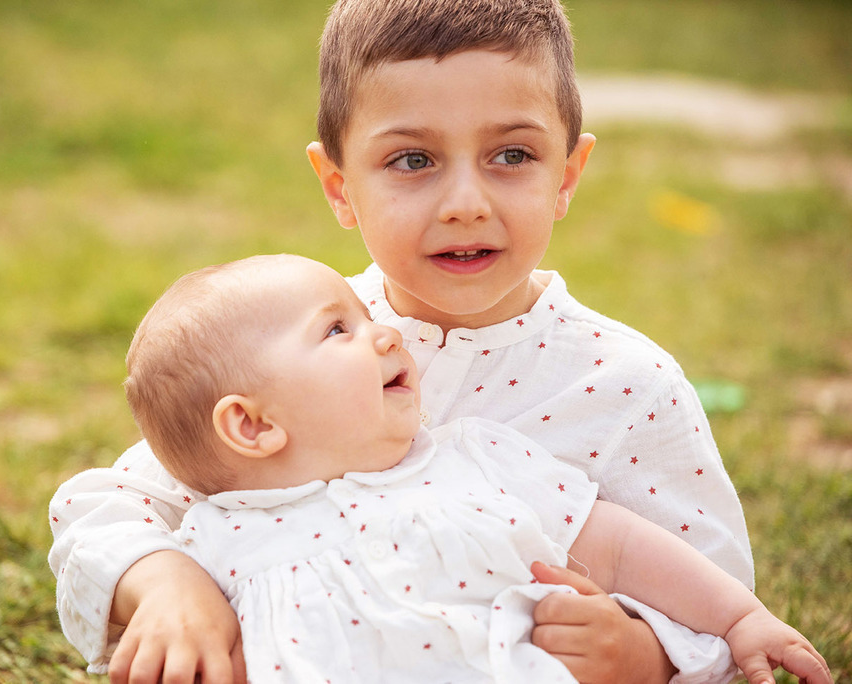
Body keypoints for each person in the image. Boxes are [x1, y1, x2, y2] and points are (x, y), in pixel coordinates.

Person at [49, 1, 759, 681]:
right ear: (338, 186)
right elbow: (109, 506)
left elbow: (723, 596)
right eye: (413, 161)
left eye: (512, 155)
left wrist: (649, 657)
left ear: (567, 175)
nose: (465, 204)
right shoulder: (295, 341)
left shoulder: (623, 385)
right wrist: (165, 581)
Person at [115, 253, 829, 684]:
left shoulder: (472, 461)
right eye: (339, 329)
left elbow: (616, 545)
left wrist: (738, 617)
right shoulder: (209, 544)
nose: (385, 332)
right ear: (253, 424)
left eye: (365, 316)